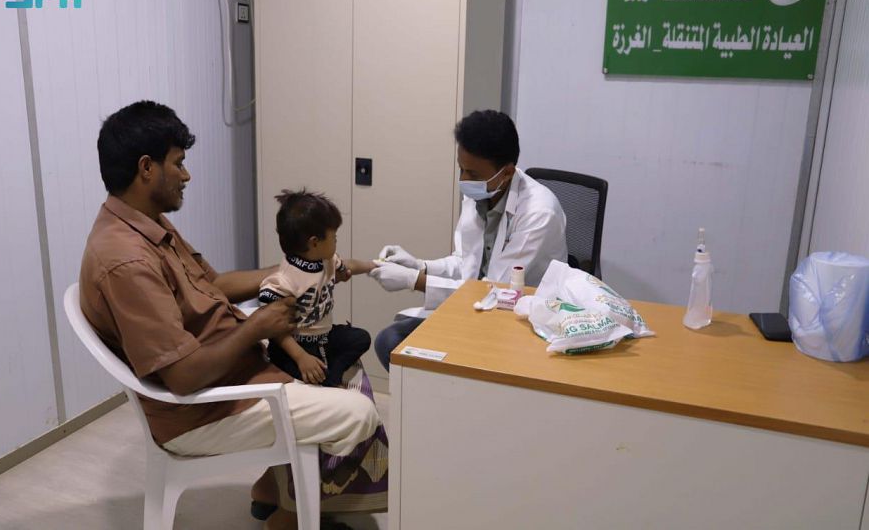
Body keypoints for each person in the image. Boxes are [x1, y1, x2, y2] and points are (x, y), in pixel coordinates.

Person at [79, 101, 385, 530]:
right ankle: (289, 515)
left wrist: (298, 273)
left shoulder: (148, 224)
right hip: (202, 410)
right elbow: (182, 377)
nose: (186, 175)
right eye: (178, 163)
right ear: (147, 168)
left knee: (344, 360)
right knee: (359, 412)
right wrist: (256, 328)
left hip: (232, 369)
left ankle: (273, 489)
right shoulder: (125, 260)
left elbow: (214, 285)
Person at [369, 110, 568, 370]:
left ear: (507, 173)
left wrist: (415, 281)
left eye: (472, 174)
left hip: (518, 321)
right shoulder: (481, 194)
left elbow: (495, 293)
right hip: (474, 310)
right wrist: (420, 265)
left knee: (417, 353)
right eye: (461, 169)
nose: (464, 180)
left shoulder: (539, 213)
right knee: (391, 342)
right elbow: (465, 263)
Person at [259, 190, 374, 387]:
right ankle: (326, 375)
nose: (336, 241)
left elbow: (350, 266)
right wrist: (301, 357)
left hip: (324, 336)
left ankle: (332, 371)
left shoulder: (326, 261)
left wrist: (374, 266)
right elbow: (275, 330)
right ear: (314, 243)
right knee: (308, 371)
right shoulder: (284, 280)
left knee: (361, 338)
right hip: (295, 345)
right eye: (334, 237)